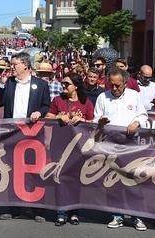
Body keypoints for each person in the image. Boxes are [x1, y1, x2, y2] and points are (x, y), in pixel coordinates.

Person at [0, 52, 50, 222]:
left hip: (33, 133)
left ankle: (36, 208)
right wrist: (1, 86)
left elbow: (46, 105)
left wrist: (39, 112)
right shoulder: (9, 83)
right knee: (13, 169)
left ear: (25, 65)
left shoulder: (40, 85)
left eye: (15, 64)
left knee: (34, 170)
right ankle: (13, 207)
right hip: (12, 133)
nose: (12, 67)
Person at [93, 68, 148, 231]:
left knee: (134, 179)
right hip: (110, 144)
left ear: (125, 83)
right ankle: (116, 215)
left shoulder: (134, 96)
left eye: (118, 85)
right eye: (112, 85)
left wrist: (136, 123)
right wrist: (100, 122)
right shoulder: (103, 97)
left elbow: (143, 115)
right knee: (113, 179)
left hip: (131, 144)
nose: (115, 88)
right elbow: (95, 118)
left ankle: (137, 215)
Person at [45, 72, 93, 226]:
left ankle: (74, 211)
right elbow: (47, 117)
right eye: (62, 83)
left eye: (67, 84)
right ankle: (61, 211)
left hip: (79, 146)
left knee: (75, 179)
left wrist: (83, 120)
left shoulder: (86, 103)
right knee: (60, 177)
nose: (63, 86)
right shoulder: (57, 100)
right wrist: (58, 117)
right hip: (59, 144)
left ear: (76, 86)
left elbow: (93, 123)